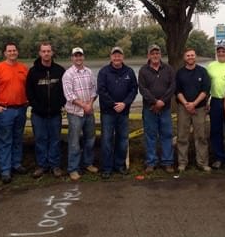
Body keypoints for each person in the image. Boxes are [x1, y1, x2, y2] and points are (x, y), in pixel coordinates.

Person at [0, 42, 29, 184]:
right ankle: (5, 169)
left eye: (14, 50)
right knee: (4, 140)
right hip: (4, 110)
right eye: (9, 51)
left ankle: (16, 164)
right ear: (4, 53)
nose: (12, 53)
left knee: (17, 138)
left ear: (17, 52)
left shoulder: (23, 68)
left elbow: (28, 87)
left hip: (21, 108)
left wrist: (27, 101)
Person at [26, 42, 66, 179]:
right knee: (40, 139)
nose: (46, 54)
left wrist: (60, 104)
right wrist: (36, 106)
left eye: (48, 51)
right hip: (38, 114)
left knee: (55, 139)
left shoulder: (59, 70)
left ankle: (55, 165)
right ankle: (42, 165)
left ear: (52, 53)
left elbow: (64, 91)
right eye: (43, 51)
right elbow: (29, 92)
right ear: (40, 53)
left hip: (55, 113)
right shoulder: (33, 72)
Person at [97, 46, 138, 179]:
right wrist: (113, 104)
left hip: (123, 112)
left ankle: (120, 165)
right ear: (111, 57)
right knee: (107, 140)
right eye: (114, 55)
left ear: (123, 57)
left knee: (122, 140)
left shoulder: (129, 72)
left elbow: (133, 90)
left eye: (119, 55)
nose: (117, 57)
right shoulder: (104, 72)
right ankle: (107, 168)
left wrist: (124, 103)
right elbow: (101, 91)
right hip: (108, 112)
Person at [62, 47, 99, 181]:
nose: (78, 58)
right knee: (74, 142)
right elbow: (69, 95)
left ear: (83, 57)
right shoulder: (68, 74)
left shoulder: (89, 72)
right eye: (75, 56)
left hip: (89, 112)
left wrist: (89, 104)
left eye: (80, 55)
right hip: (75, 113)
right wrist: (84, 105)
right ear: (72, 58)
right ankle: (73, 168)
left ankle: (88, 163)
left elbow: (94, 90)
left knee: (90, 139)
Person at [138, 44, 176, 173]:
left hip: (165, 109)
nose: (155, 56)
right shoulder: (143, 70)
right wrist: (154, 102)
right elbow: (142, 89)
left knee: (167, 135)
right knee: (150, 136)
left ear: (160, 55)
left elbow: (172, 87)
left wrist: (162, 102)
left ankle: (167, 162)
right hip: (149, 109)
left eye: (157, 53)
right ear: (148, 55)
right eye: (152, 53)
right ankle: (151, 162)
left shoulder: (169, 69)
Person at [175, 48, 211, 172]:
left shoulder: (202, 72)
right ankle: (182, 163)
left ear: (195, 57)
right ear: (185, 58)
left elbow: (205, 90)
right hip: (183, 108)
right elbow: (177, 91)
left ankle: (202, 163)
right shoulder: (180, 73)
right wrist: (186, 104)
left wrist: (194, 104)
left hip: (199, 108)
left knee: (201, 136)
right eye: (188, 55)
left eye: (192, 55)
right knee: (182, 136)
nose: (190, 57)